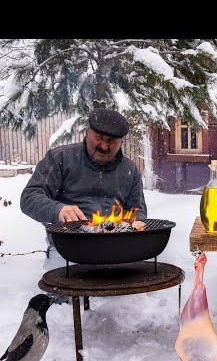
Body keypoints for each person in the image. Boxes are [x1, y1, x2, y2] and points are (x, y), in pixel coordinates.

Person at [21, 108, 147, 276]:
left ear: (121, 143)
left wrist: (127, 231)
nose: (103, 146)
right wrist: (57, 209)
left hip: (116, 251)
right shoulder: (60, 158)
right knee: (64, 295)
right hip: (67, 248)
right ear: (87, 133)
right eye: (99, 138)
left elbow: (138, 212)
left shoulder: (129, 170)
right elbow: (29, 198)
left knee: (125, 298)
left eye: (111, 141)